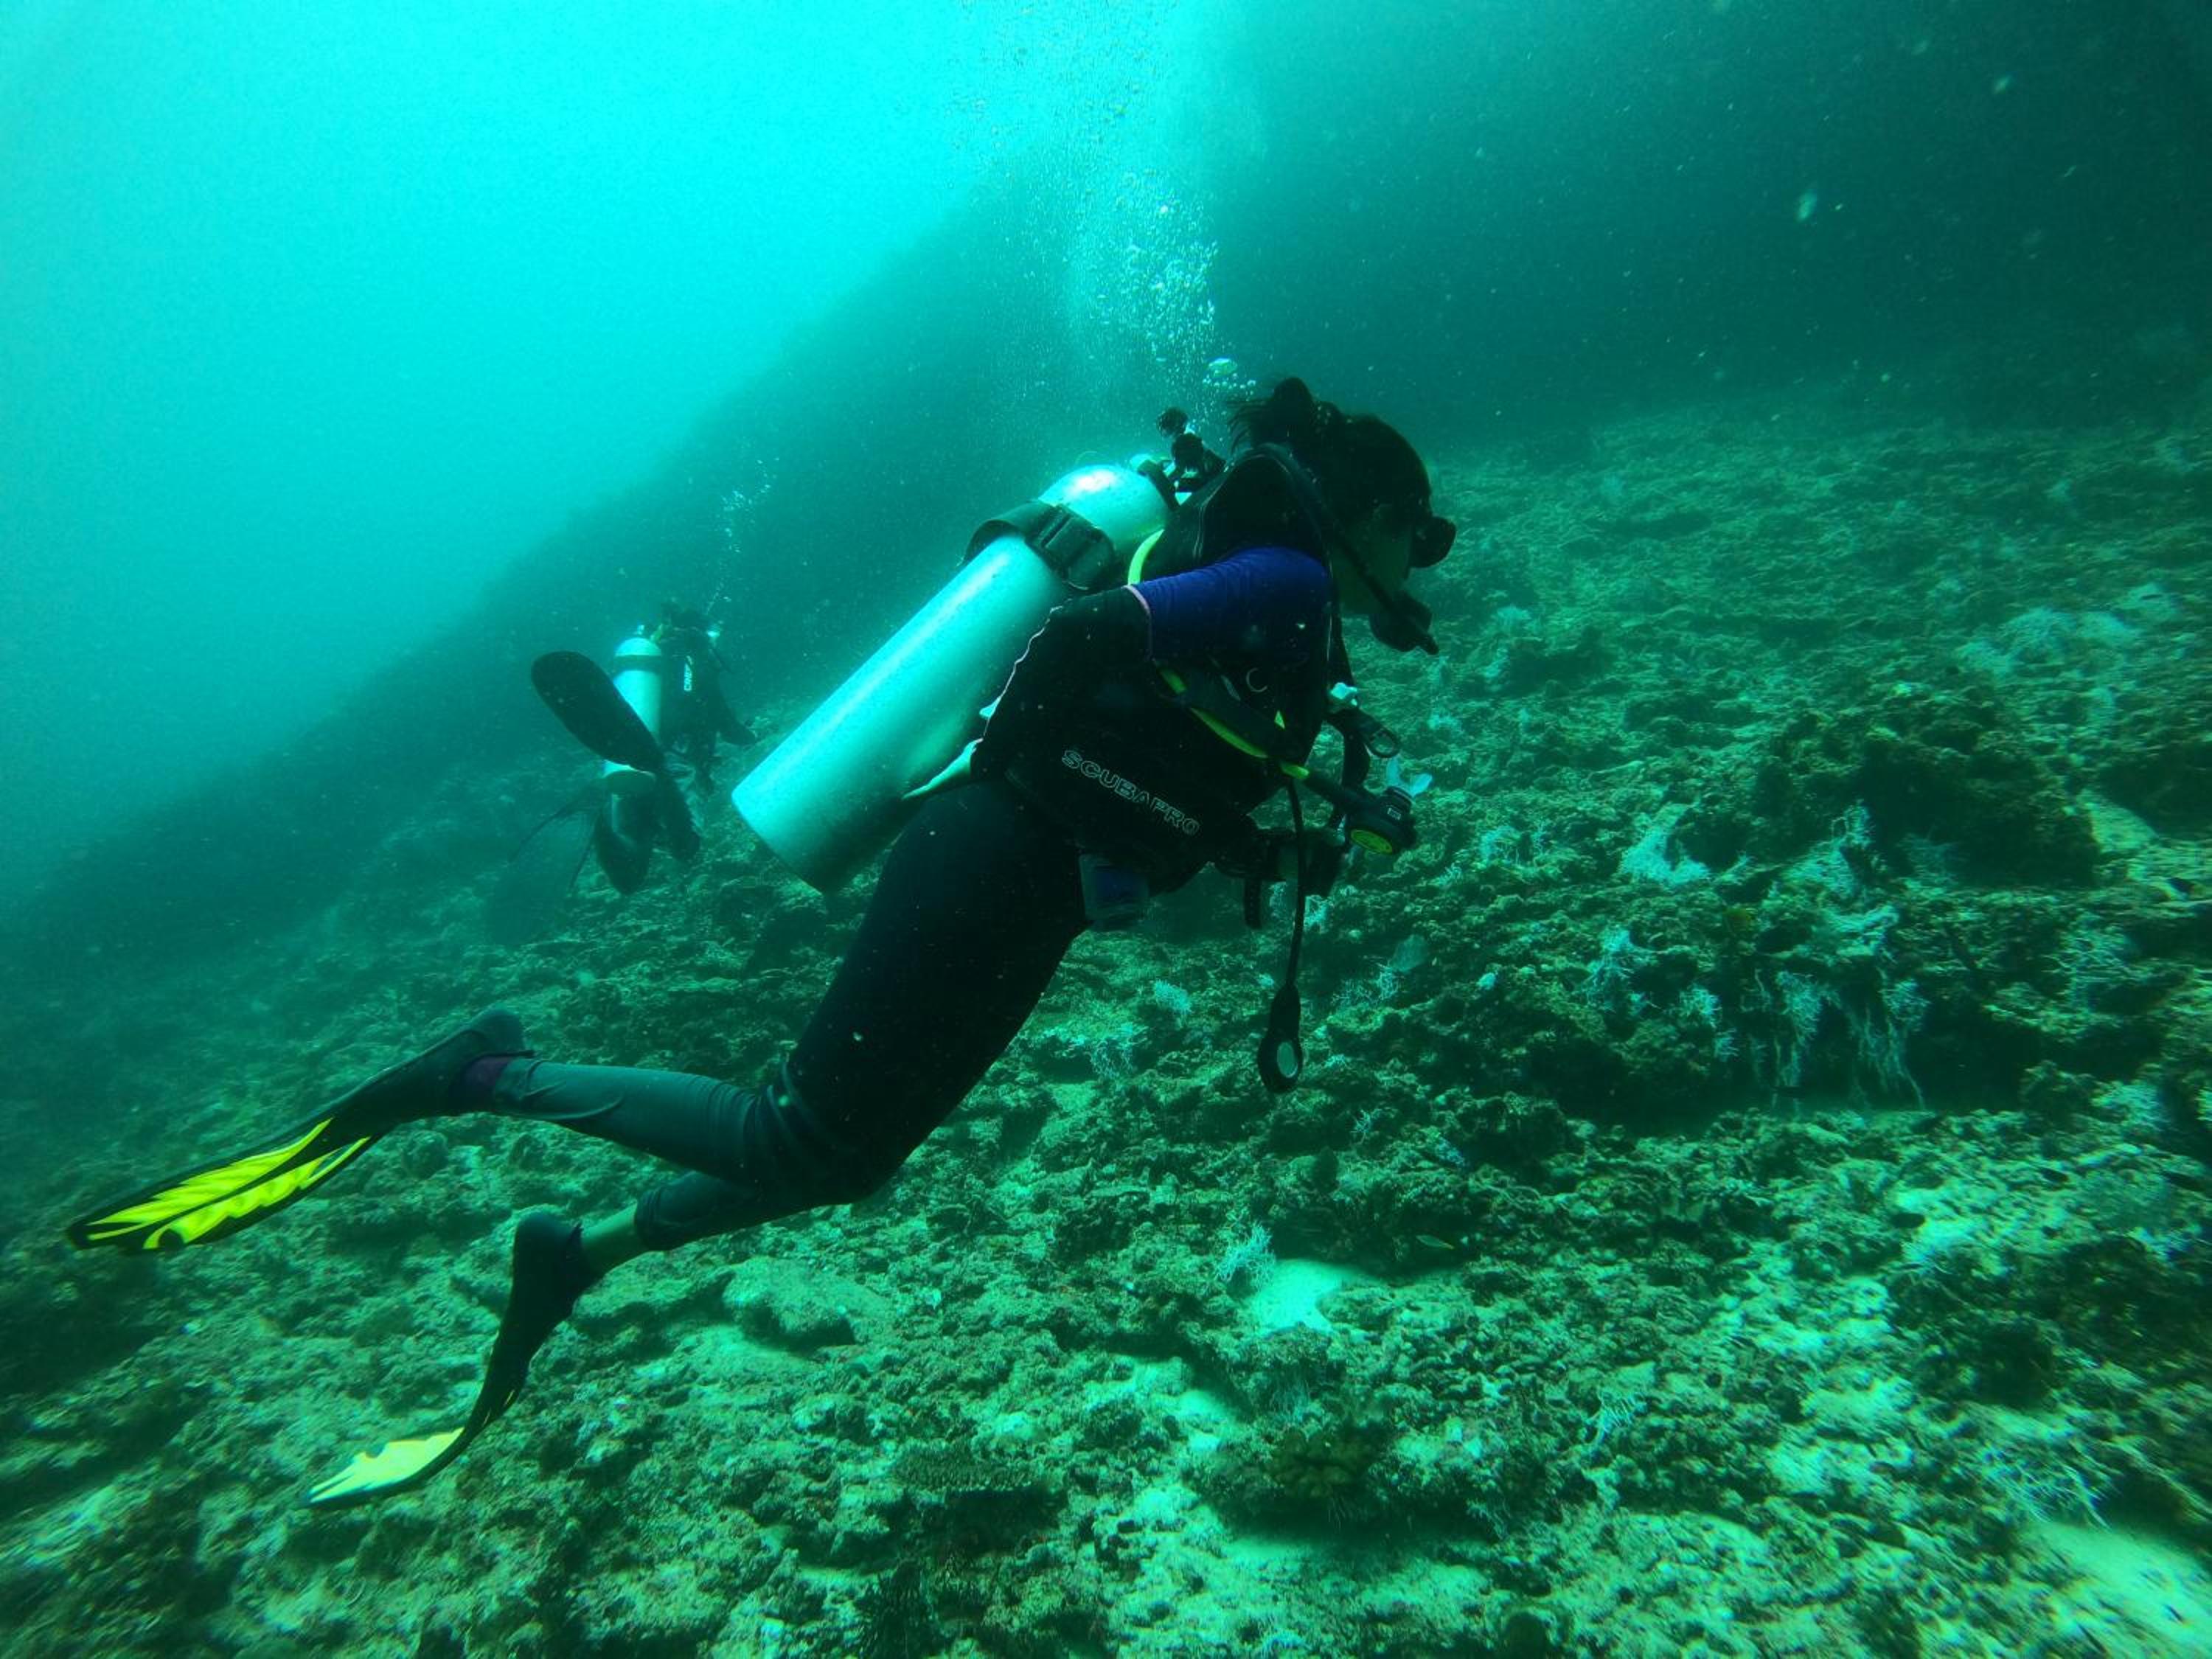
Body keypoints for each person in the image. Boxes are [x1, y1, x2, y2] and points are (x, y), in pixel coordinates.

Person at [64, 378, 1457, 1506]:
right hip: (994, 857)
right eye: (1420, 535)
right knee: (801, 1131)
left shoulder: (1285, 608)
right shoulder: (1287, 579)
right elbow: (1092, 637)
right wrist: (1017, 784)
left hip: (1035, 882)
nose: (1419, 567)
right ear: (1372, 517)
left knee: (848, 1158)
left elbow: (1176, 765)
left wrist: (1266, 847)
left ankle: (578, 1250)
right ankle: (477, 1072)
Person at [650, 599, 756, 792]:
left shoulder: (663, 655)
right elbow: (721, 715)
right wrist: (750, 737)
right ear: (699, 634)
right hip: (682, 740)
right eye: (711, 635)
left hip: (651, 738)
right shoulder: (696, 660)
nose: (713, 640)